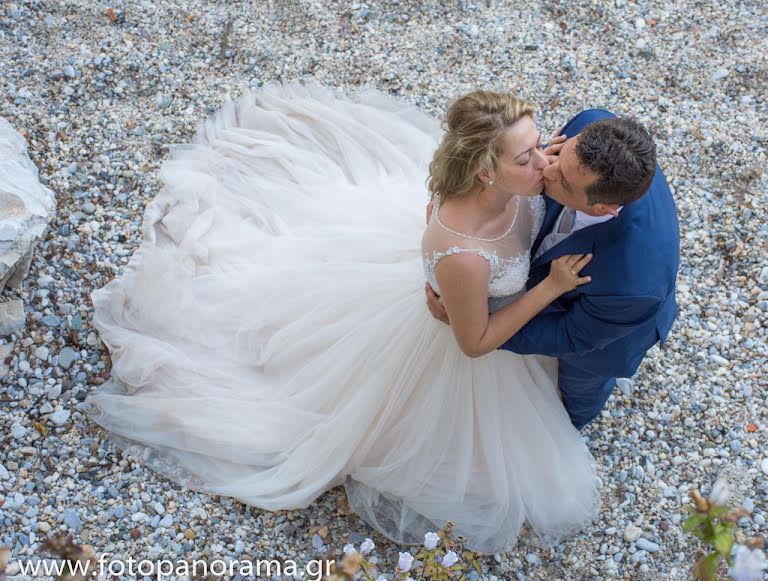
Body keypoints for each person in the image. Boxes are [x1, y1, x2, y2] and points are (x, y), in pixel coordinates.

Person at [84, 81, 601, 554]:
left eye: (541, 145)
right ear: (486, 173)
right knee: (492, 476)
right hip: (463, 343)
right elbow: (475, 342)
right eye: (527, 156)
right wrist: (550, 287)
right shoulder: (465, 254)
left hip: (460, 282)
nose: (546, 162)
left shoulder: (518, 178)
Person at [427, 109, 680, 431]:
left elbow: (570, 335)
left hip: (600, 342)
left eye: (563, 180)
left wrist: (481, 328)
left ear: (602, 209)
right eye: (561, 155)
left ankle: (569, 427)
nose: (546, 169)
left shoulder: (632, 285)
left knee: (579, 389)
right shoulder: (592, 126)